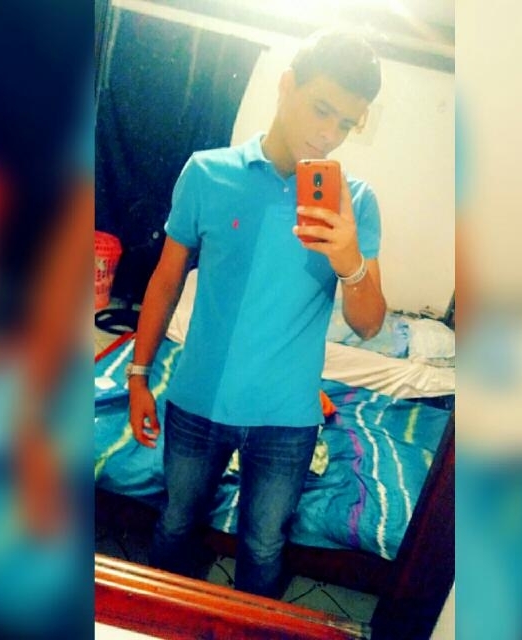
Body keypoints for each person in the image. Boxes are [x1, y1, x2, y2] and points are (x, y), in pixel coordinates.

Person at [128, 28, 386, 598]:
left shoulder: (356, 203)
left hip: (287, 419)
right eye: (322, 109)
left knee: (265, 545)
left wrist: (350, 261)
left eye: (346, 123)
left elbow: (370, 325)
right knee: (175, 523)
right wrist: (139, 375)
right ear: (286, 85)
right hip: (196, 401)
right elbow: (167, 279)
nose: (329, 134)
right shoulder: (206, 173)